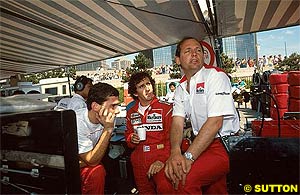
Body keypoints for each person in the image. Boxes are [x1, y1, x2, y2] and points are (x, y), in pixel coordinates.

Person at [164, 37, 239, 194]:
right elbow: (177, 122)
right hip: (201, 144)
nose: (195, 54)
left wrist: (189, 157)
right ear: (178, 60)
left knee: (184, 180)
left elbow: (215, 122)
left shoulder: (216, 76)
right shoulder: (180, 88)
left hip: (224, 145)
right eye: (188, 51)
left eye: (198, 50)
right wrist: (175, 152)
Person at [125, 72, 177, 194]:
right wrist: (131, 138)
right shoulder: (131, 112)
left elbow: (174, 139)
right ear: (135, 92)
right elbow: (127, 136)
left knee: (165, 189)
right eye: (141, 86)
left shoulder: (166, 108)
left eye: (148, 83)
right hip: (139, 159)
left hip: (160, 156)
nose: (147, 88)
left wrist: (163, 160)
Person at [75, 82, 120, 194]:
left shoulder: (108, 118)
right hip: (61, 166)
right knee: (96, 171)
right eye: (113, 106)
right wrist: (108, 129)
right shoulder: (77, 122)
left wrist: (86, 160)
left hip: (81, 161)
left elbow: (95, 156)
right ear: (95, 106)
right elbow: (92, 160)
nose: (118, 111)